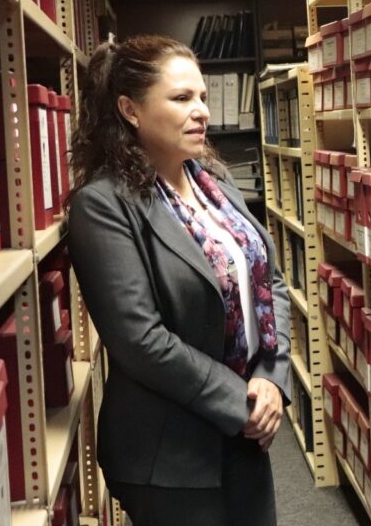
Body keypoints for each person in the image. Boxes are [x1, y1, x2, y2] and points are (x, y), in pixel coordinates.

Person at [66, 35, 290, 526]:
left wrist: (271, 380)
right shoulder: (102, 204)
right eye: (182, 98)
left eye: (204, 97)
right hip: (171, 450)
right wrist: (242, 401)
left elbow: (267, 279)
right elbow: (140, 340)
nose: (202, 111)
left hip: (247, 429)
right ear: (130, 109)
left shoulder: (215, 180)